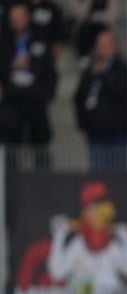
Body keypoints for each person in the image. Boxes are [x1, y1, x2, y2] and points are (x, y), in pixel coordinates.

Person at [47, 179, 127, 294]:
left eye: (98, 210)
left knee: (111, 282)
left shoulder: (112, 245)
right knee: (81, 279)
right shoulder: (78, 244)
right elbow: (57, 272)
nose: (94, 215)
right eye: (90, 211)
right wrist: (58, 238)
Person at [0, 1, 58, 170]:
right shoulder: (4, 44)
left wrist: (44, 93)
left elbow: (49, 72)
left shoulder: (41, 40)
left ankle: (43, 183)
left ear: (28, 17)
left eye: (20, 17)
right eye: (13, 18)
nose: (17, 21)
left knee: (40, 145)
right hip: (11, 104)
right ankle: (8, 184)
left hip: (35, 101)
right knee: (8, 147)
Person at [72, 27, 127, 171]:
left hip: (118, 133)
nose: (103, 49)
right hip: (95, 133)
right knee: (98, 176)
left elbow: (120, 93)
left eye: (107, 45)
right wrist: (84, 123)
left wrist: (102, 77)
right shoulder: (89, 72)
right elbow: (79, 97)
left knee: (119, 174)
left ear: (114, 46)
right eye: (100, 46)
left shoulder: (122, 70)